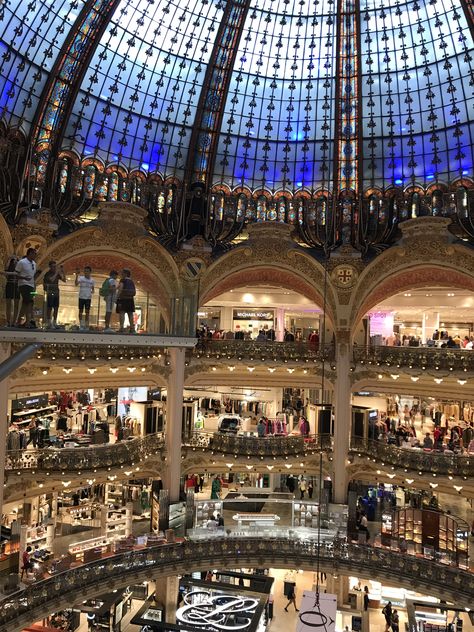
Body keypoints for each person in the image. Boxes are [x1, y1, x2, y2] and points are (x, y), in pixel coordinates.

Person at [15, 248, 39, 327]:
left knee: (26, 303)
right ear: (30, 253)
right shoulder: (22, 262)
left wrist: (34, 285)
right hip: (24, 285)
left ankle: (19, 321)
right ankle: (28, 322)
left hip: (31, 286)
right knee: (29, 301)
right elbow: (16, 274)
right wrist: (24, 278)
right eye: (34, 253)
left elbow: (33, 276)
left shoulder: (34, 264)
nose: (35, 255)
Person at [43, 260, 65, 328]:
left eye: (55, 267)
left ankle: (54, 322)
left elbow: (64, 280)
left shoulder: (57, 273)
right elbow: (51, 280)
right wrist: (56, 273)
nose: (54, 268)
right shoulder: (47, 274)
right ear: (50, 267)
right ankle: (49, 322)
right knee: (49, 307)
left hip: (56, 292)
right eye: (53, 267)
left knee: (56, 307)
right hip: (50, 292)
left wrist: (62, 272)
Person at [116, 268, 136, 333]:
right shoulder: (132, 281)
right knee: (130, 314)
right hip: (130, 299)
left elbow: (121, 288)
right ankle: (132, 328)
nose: (121, 274)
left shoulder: (123, 280)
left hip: (123, 299)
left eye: (122, 273)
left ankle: (121, 328)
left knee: (122, 313)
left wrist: (117, 297)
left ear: (125, 274)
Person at [3, 254, 20, 326]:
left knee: (16, 304)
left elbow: (19, 273)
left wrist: (18, 259)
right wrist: (9, 259)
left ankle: (14, 322)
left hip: (16, 285)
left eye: (16, 259)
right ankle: (8, 321)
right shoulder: (9, 265)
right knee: (8, 304)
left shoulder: (20, 266)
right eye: (14, 259)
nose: (15, 261)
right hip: (9, 284)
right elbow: (5, 271)